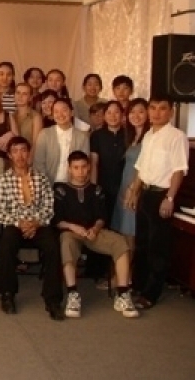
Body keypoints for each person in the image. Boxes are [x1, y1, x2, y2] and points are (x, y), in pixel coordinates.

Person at [54, 150, 139, 318]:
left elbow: (102, 217)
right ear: (69, 169)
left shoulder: (97, 190)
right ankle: (73, 294)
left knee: (120, 243)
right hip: (71, 232)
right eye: (76, 167)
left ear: (89, 168)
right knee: (66, 242)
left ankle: (122, 293)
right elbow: (57, 220)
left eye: (83, 167)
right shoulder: (60, 190)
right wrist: (73, 227)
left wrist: (95, 228)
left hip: (93, 232)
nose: (80, 171)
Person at [125, 95, 189, 310]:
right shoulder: (149, 135)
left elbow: (179, 170)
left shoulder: (177, 137)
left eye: (162, 108)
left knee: (157, 247)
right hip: (145, 193)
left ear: (171, 112)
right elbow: (141, 167)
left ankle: (151, 294)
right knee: (142, 243)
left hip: (162, 195)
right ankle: (139, 285)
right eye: (152, 108)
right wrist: (134, 192)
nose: (156, 112)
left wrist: (170, 198)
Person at [0, 136, 64, 320]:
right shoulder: (3, 180)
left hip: (38, 223)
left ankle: (52, 299)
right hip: (15, 224)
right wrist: (20, 223)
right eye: (15, 151)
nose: (20, 155)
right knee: (6, 244)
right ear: (9, 155)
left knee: (53, 246)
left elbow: (49, 208)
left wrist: (35, 223)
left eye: (23, 150)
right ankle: (7, 294)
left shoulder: (41, 178)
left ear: (29, 153)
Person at [88, 100, 126, 282]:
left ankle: (119, 271)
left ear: (123, 115)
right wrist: (94, 188)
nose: (112, 116)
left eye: (116, 112)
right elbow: (94, 162)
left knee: (120, 229)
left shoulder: (128, 135)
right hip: (103, 186)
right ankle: (99, 271)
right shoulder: (97, 136)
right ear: (103, 116)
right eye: (109, 112)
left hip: (124, 187)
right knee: (102, 225)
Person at [110, 99, 149, 269]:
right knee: (122, 233)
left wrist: (133, 190)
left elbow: (145, 167)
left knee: (130, 234)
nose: (136, 115)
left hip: (135, 189)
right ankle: (121, 273)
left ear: (148, 114)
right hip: (123, 187)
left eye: (141, 111)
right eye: (132, 112)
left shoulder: (149, 137)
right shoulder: (131, 136)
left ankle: (127, 276)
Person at [33, 98, 89, 185]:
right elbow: (38, 164)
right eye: (56, 111)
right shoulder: (44, 134)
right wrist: (46, 186)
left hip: (73, 186)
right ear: (52, 115)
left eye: (64, 110)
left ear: (72, 112)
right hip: (47, 185)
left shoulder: (82, 137)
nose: (60, 114)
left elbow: (84, 164)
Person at [13, 83, 42, 163]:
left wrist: (29, 161)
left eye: (24, 94)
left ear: (30, 98)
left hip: (28, 160)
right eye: (18, 93)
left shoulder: (36, 116)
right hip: (12, 159)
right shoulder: (10, 116)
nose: (20, 96)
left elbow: (36, 143)